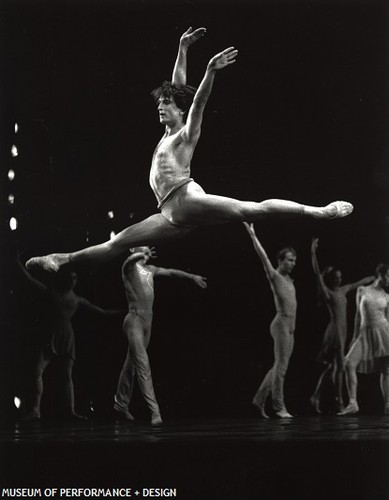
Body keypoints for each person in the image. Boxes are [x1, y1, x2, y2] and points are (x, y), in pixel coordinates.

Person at [26, 27, 353, 274]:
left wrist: (210, 72)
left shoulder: (185, 133)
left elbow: (196, 101)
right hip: (170, 213)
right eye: (159, 103)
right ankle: (62, 259)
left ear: (179, 110)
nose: (161, 106)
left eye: (166, 104)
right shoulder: (168, 132)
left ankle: (318, 212)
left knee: (248, 209)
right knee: (118, 242)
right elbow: (178, 87)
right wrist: (182, 48)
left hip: (187, 200)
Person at [17, 256, 122, 420]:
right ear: (64, 279)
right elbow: (29, 280)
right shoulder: (52, 293)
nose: (73, 281)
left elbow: (101, 312)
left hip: (66, 335)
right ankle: (35, 410)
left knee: (66, 375)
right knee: (36, 371)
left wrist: (123, 312)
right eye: (70, 277)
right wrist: (17, 262)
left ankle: (70, 411)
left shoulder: (77, 300)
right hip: (51, 333)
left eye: (75, 278)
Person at [113, 246, 207, 425]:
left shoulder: (151, 270)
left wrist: (191, 277)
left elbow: (171, 272)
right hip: (134, 320)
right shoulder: (129, 268)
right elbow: (129, 261)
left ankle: (120, 404)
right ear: (134, 249)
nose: (148, 249)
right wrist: (141, 254)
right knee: (142, 363)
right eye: (144, 246)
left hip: (148, 322)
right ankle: (155, 412)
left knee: (131, 365)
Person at [309, 237, 374, 413]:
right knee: (338, 366)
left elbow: (358, 283)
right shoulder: (328, 292)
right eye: (336, 278)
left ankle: (315, 396)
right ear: (330, 279)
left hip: (342, 331)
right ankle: (339, 400)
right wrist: (313, 253)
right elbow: (316, 274)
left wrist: (374, 278)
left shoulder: (343, 289)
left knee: (333, 367)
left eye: (340, 278)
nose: (339, 280)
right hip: (335, 331)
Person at [243, 222, 297, 418]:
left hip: (291, 326)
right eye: (290, 260)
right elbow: (263, 257)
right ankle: (279, 407)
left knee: (278, 366)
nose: (293, 264)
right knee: (281, 367)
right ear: (281, 260)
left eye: (294, 261)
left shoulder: (291, 281)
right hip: (281, 324)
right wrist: (253, 236)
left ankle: (258, 400)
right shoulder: (275, 276)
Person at [338, 263, 389, 415]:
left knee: (386, 370)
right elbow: (357, 317)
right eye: (388, 276)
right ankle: (353, 403)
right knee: (348, 362)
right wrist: (354, 338)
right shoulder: (362, 290)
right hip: (364, 333)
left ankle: (388, 405)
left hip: (383, 333)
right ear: (380, 274)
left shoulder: (387, 296)